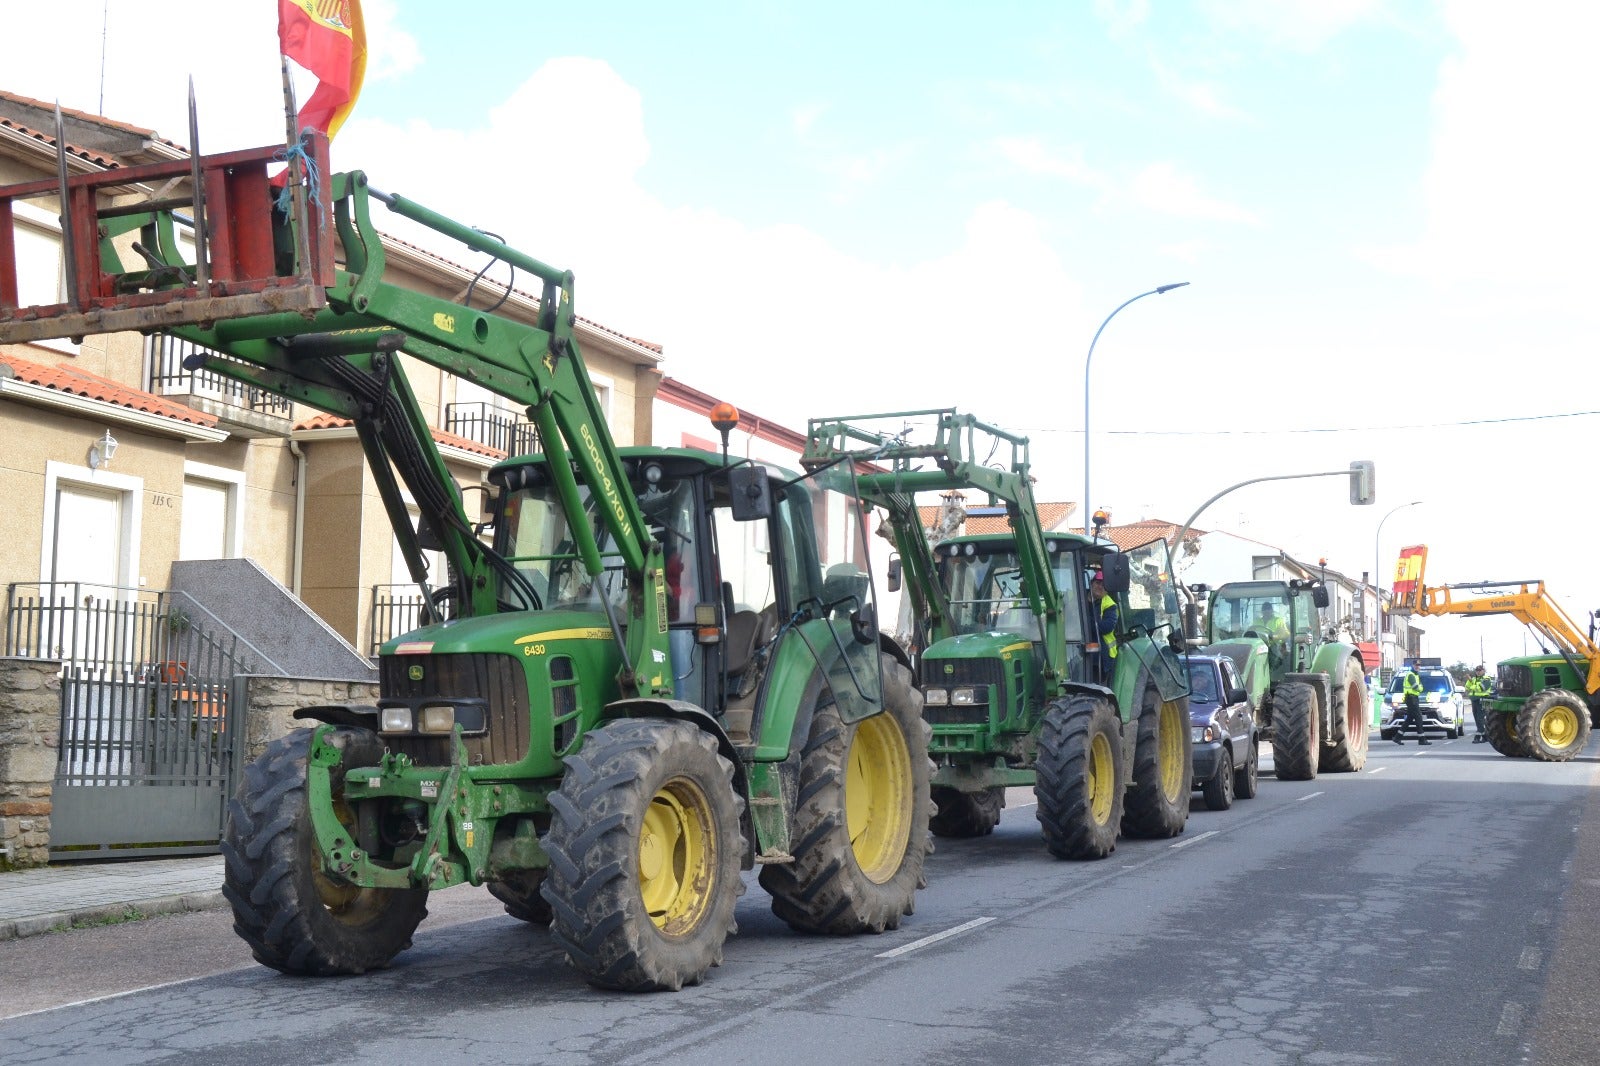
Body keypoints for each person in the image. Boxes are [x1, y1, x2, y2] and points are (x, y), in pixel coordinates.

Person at [1089, 571, 1118, 680]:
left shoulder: (1110, 605)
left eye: (1104, 585)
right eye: (1098, 582)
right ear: (1091, 583)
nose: (1100, 587)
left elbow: (1107, 627)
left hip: (1101, 654)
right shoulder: (1078, 598)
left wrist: (1086, 623)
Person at [1393, 664, 1429, 745]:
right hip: (1411, 698)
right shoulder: (1411, 675)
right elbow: (1417, 687)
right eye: (1416, 665)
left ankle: (1397, 737)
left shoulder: (1415, 675)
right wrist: (1420, 688)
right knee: (1419, 718)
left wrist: (1420, 687)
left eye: (1419, 665)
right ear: (1413, 666)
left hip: (1413, 698)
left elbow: (1420, 686)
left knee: (1409, 719)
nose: (1418, 667)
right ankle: (1422, 739)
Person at [1466, 665, 1492, 742]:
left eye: (1480, 670)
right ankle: (1484, 736)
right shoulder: (1473, 679)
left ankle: (1478, 735)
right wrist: (1471, 682)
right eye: (1477, 670)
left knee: (1480, 718)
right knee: (1476, 718)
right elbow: (1467, 687)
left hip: (1483, 700)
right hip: (1474, 700)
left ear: (1484, 671)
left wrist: (1472, 684)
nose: (1478, 672)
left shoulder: (1486, 679)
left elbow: (1481, 688)